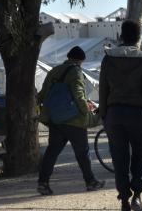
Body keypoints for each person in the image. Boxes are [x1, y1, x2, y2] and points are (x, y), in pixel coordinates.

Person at [99, 20, 142, 211]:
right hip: (138, 114)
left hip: (114, 114)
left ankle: (124, 203)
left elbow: (103, 89)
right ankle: (137, 196)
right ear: (138, 37)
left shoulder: (108, 58)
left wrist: (104, 114)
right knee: (141, 155)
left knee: (120, 159)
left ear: (121, 35)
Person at [36, 46, 104, 195]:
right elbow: (78, 94)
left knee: (52, 152)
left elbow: (42, 94)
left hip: (56, 120)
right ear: (81, 60)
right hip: (74, 121)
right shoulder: (76, 72)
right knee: (82, 152)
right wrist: (86, 111)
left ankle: (43, 183)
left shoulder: (54, 71)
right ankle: (91, 181)